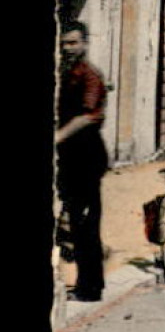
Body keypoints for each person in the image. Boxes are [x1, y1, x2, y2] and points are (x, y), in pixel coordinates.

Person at [57, 20, 108, 302]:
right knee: (74, 222)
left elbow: (89, 116)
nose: (68, 48)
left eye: (74, 43)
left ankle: (91, 288)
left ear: (85, 43)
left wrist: (59, 136)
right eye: (64, 43)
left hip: (86, 156)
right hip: (69, 157)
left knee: (86, 224)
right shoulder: (67, 73)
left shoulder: (90, 76)